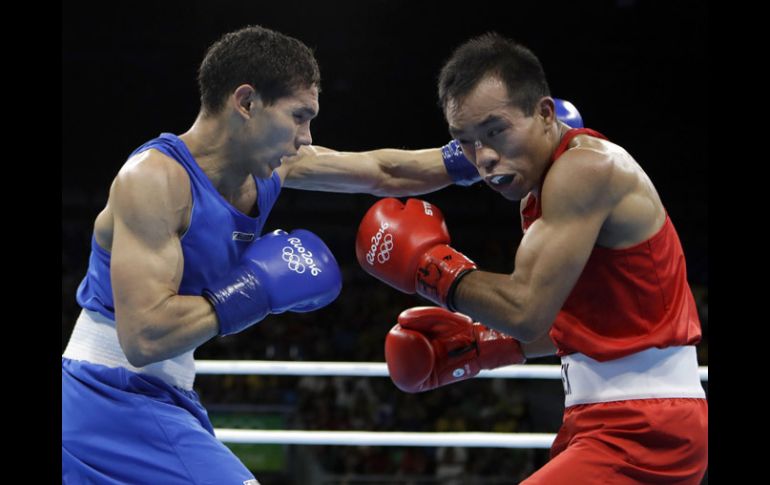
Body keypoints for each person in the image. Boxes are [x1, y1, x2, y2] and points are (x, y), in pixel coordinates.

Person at [61, 24, 586, 483]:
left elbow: (384, 171)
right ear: (246, 103)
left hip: (162, 393)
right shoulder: (154, 180)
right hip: (109, 392)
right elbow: (144, 336)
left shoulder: (271, 167)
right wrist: (257, 288)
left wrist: (497, 148)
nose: (306, 137)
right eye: (298, 116)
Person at [352, 33, 708, 484]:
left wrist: (432, 268)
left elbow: (525, 311)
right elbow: (566, 321)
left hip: (643, 428)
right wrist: (484, 346)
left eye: (495, 131)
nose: (483, 157)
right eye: (465, 141)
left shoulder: (584, 170)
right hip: (605, 420)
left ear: (543, 113)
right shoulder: (538, 195)